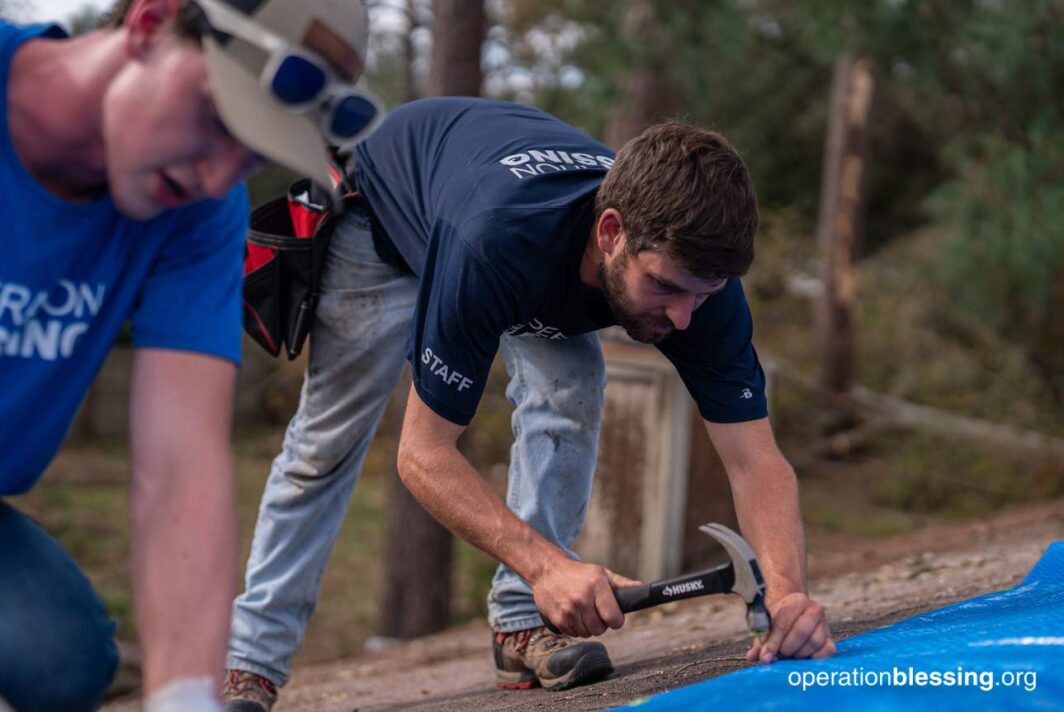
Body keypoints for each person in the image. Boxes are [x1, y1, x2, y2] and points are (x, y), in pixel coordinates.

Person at [224, 97, 836, 712]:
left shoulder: (701, 283)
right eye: (666, 288)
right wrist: (548, 567)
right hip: (386, 215)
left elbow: (756, 460)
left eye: (701, 297)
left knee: (572, 389)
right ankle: (250, 663)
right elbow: (422, 455)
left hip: (516, 230)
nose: (682, 317)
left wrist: (786, 598)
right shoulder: (497, 242)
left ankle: (521, 623)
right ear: (612, 233)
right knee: (325, 443)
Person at [0, 0, 375, 708]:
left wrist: (183, 699)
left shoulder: (198, 210)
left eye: (255, 152)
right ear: (148, 22)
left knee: (61, 658)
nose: (217, 174)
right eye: (215, 116)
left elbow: (179, 468)